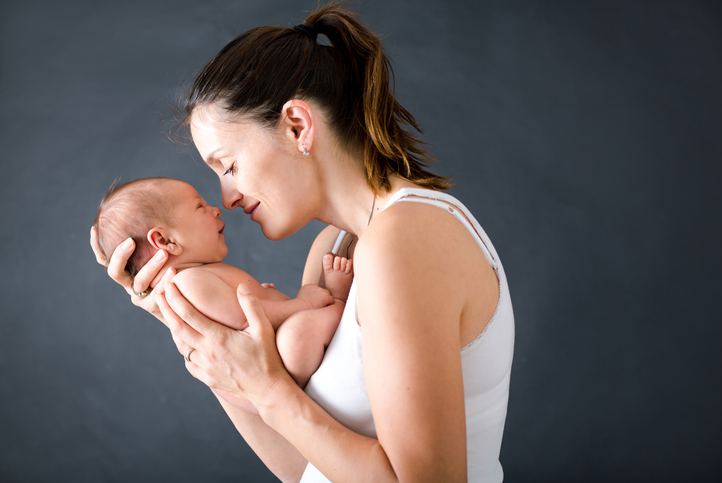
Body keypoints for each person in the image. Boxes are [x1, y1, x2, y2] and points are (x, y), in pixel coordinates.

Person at [90, 3, 514, 482]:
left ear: (297, 125)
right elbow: (305, 470)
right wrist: (195, 326)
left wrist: (266, 387)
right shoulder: (334, 247)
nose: (227, 198)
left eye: (229, 166)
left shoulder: (405, 240)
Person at [93, 177, 352, 390]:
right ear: (165, 241)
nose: (216, 209)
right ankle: (338, 302)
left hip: (272, 372)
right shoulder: (188, 282)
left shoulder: (197, 277)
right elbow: (251, 318)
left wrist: (261, 294)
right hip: (281, 365)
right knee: (296, 336)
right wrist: (303, 304)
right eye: (200, 207)